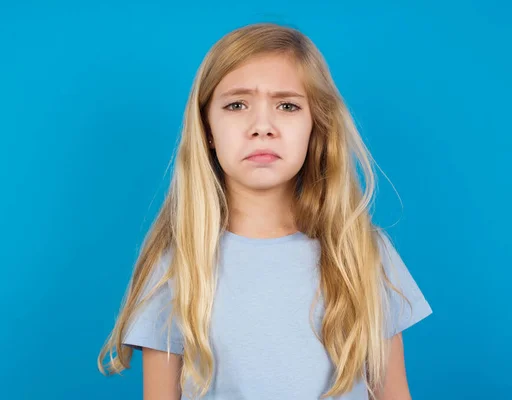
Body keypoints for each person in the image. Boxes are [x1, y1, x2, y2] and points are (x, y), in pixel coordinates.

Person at [97, 22, 433, 400]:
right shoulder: (175, 265)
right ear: (206, 126)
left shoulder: (362, 253)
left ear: (315, 126)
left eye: (287, 105)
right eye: (236, 104)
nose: (262, 127)